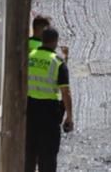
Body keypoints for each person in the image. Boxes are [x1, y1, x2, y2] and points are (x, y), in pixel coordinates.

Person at [25, 27, 73, 172]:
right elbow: (66, 92)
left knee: (28, 155)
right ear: (55, 42)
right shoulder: (57, 62)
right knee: (48, 158)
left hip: (29, 110)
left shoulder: (30, 56)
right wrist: (69, 117)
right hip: (49, 114)